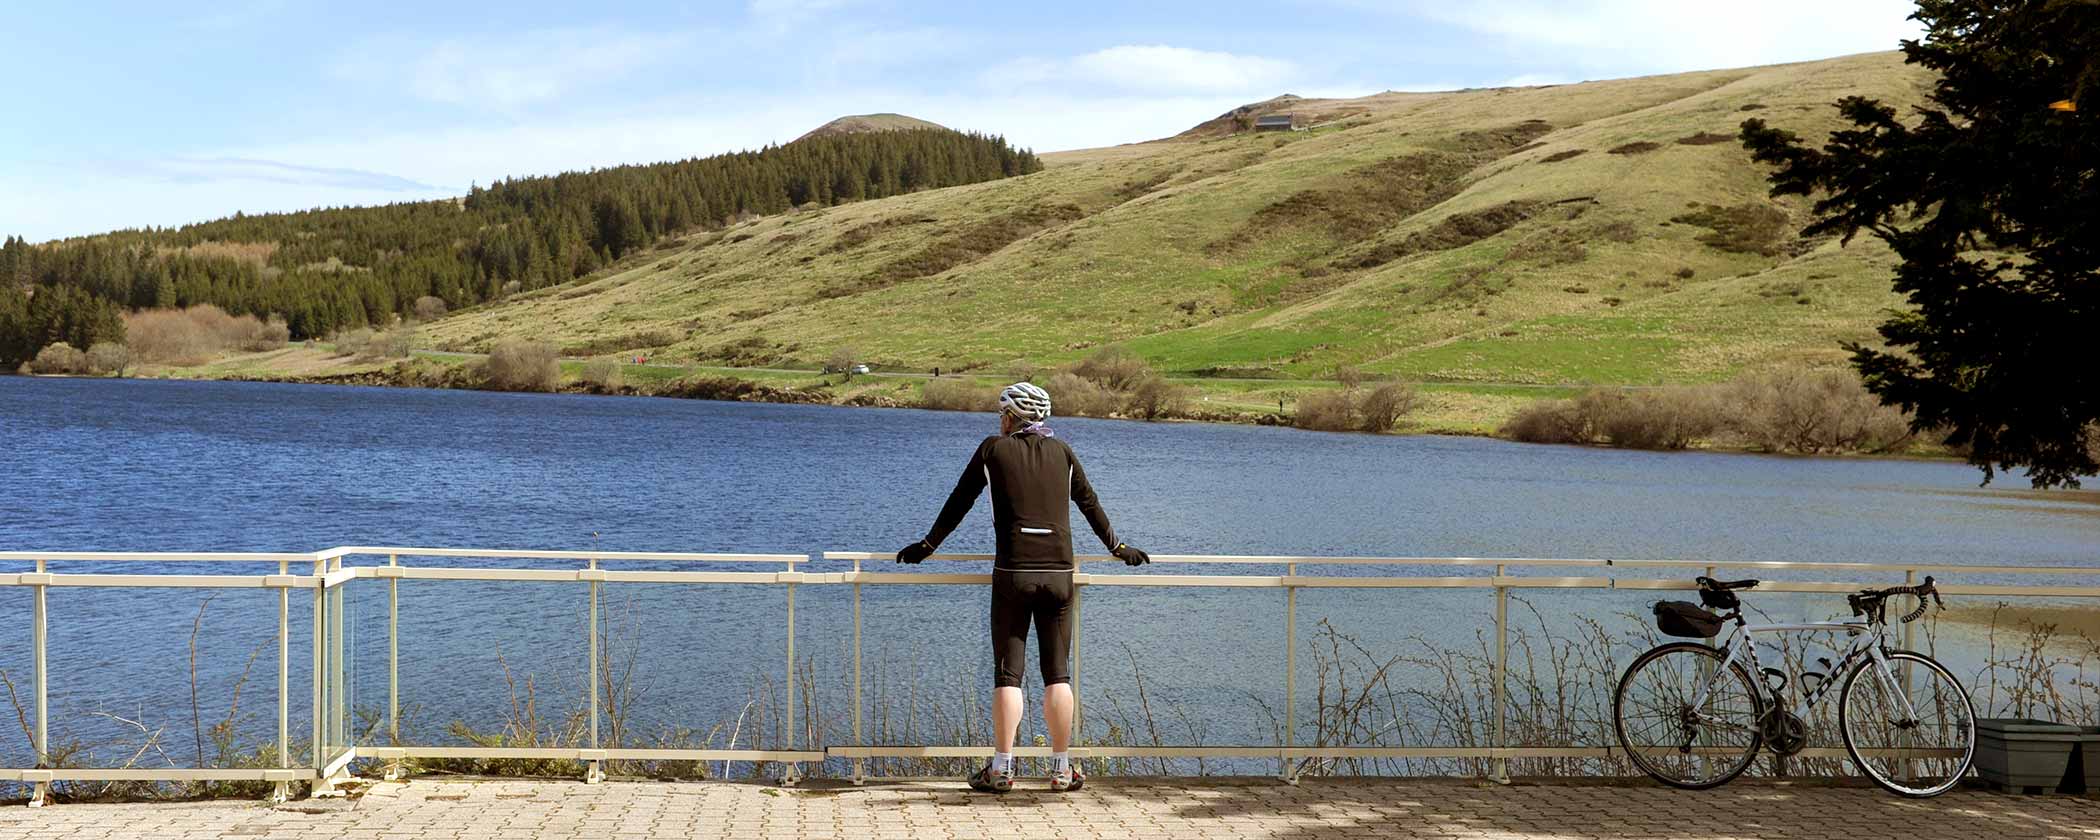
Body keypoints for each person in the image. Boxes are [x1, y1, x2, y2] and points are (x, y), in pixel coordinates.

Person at [896, 381, 1150, 793]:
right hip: (1059, 575)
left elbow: (960, 501)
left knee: (1008, 676)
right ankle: (1063, 769)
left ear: (1012, 416)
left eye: (1002, 414)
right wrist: (1119, 547)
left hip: (1013, 574)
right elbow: (1089, 503)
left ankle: (1001, 768)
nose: (999, 421)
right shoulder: (1064, 452)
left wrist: (928, 545)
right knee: (1058, 675)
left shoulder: (991, 450)